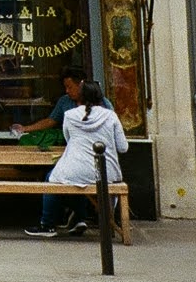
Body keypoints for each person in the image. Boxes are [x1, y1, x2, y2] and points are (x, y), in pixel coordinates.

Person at [25, 80, 128, 238]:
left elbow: (69, 139)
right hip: (107, 172)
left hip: (75, 169)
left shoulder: (70, 115)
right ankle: (105, 223)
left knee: (52, 179)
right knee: (78, 182)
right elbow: (123, 147)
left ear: (79, 98)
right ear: (100, 97)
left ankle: (47, 225)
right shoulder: (111, 116)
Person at [11, 66, 113, 142]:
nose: (67, 91)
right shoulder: (64, 101)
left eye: (70, 87)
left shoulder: (103, 103)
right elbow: (51, 121)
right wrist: (25, 128)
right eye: (65, 87)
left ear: (82, 85)